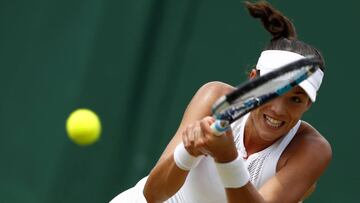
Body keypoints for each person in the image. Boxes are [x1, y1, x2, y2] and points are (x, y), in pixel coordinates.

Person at [110, 1, 332, 203]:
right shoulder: (213, 96)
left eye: (295, 99)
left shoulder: (312, 149)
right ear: (253, 80)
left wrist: (227, 157)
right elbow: (153, 194)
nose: (278, 109)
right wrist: (188, 152)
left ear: (308, 104)